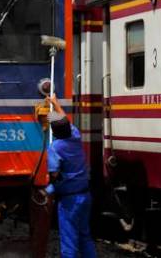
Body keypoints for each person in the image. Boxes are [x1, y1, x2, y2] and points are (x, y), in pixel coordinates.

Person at [45, 95, 96, 258]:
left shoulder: (55, 148)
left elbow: (54, 174)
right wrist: (55, 104)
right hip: (85, 195)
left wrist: (50, 187)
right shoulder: (75, 135)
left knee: (69, 241)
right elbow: (64, 121)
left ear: (54, 132)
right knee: (85, 236)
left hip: (69, 200)